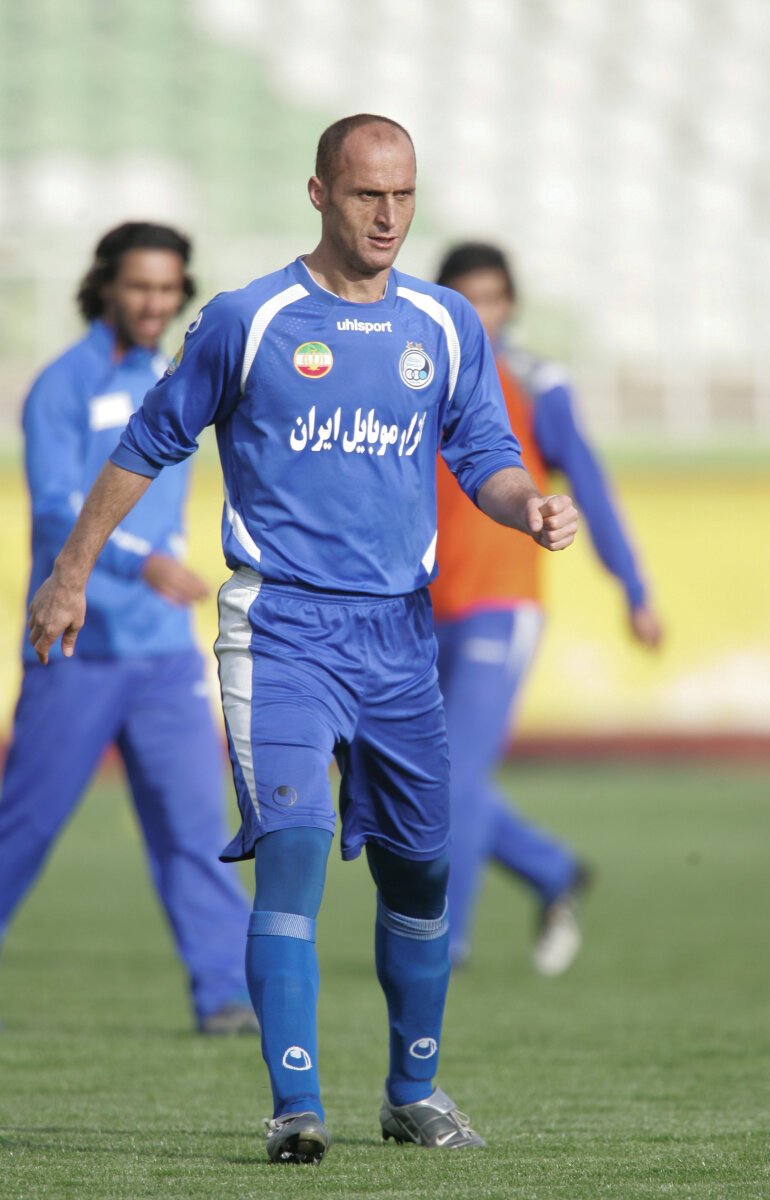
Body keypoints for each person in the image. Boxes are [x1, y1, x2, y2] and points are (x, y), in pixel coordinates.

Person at [27, 117, 578, 1165]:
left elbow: (485, 454)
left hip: (398, 639)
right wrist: (70, 572)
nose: (388, 216)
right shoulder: (250, 319)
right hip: (279, 628)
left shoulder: (444, 323)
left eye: (403, 195)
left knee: (419, 876)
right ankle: (295, 1106)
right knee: (291, 845)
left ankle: (412, 1092)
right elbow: (148, 441)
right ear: (320, 193)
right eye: (367, 194)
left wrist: (529, 508)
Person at [0, 222, 257, 1035]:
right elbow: (53, 510)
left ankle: (225, 995)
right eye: (140, 285)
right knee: (25, 828)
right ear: (106, 285)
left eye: (168, 288)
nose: (154, 302)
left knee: (196, 830)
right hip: (78, 651)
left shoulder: (174, 377)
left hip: (163, 655)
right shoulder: (62, 386)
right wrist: (142, 561)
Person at [431, 242, 663, 975]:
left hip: (500, 604)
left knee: (452, 777)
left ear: (510, 306)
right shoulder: (414, 373)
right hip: (418, 607)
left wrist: (633, 588)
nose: (481, 314)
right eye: (466, 299)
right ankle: (552, 870)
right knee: (400, 770)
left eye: (492, 299)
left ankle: (444, 943)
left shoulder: (537, 384)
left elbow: (589, 486)